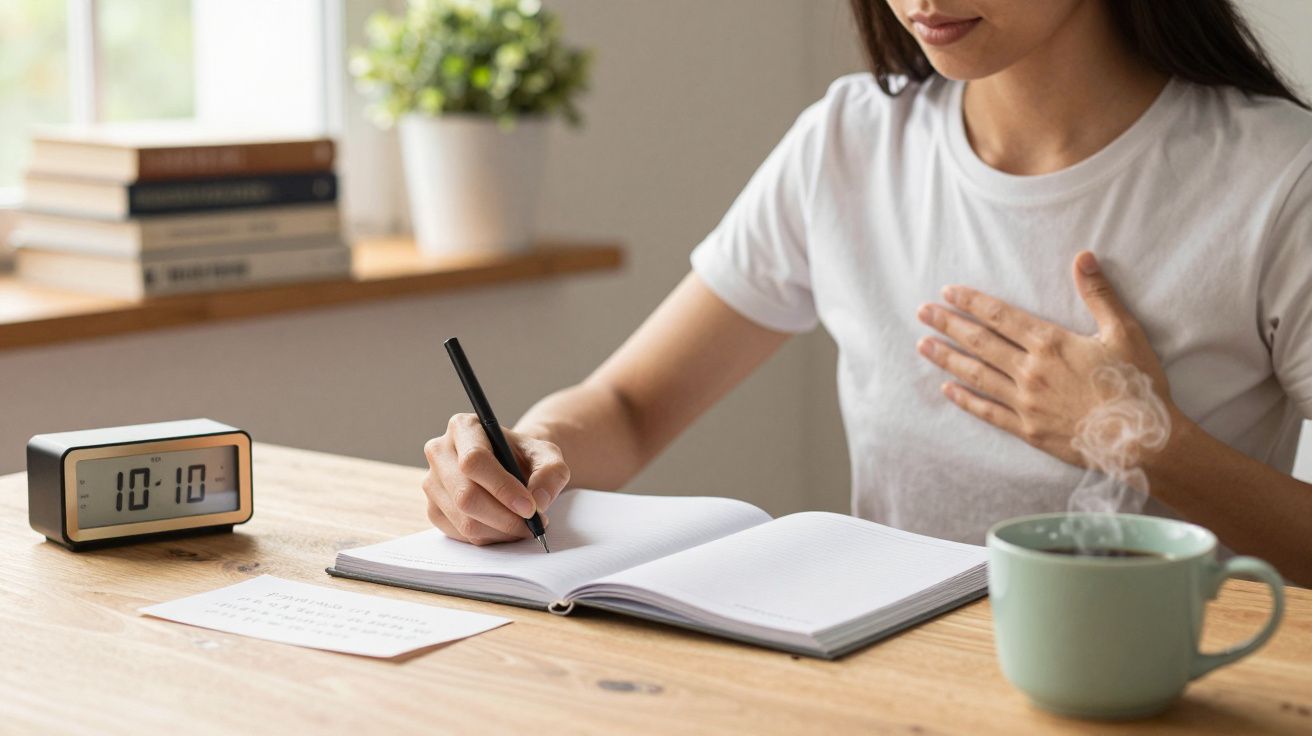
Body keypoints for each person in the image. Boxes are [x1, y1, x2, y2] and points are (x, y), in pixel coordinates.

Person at [421, 0, 1312, 586]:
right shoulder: (849, 143)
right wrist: (522, 455)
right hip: (891, 688)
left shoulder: (1278, 180)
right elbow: (628, 405)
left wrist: (1148, 444)